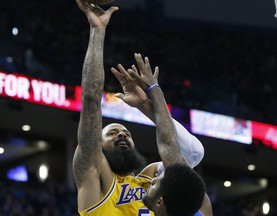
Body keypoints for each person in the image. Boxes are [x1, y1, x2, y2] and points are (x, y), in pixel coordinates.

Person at [73, 0, 209, 215]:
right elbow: (91, 103)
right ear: (97, 145)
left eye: (125, 133)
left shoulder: (151, 180)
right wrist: (97, 31)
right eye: (113, 133)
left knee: (193, 154)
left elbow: (173, 147)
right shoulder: (97, 181)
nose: (122, 135)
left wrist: (147, 105)